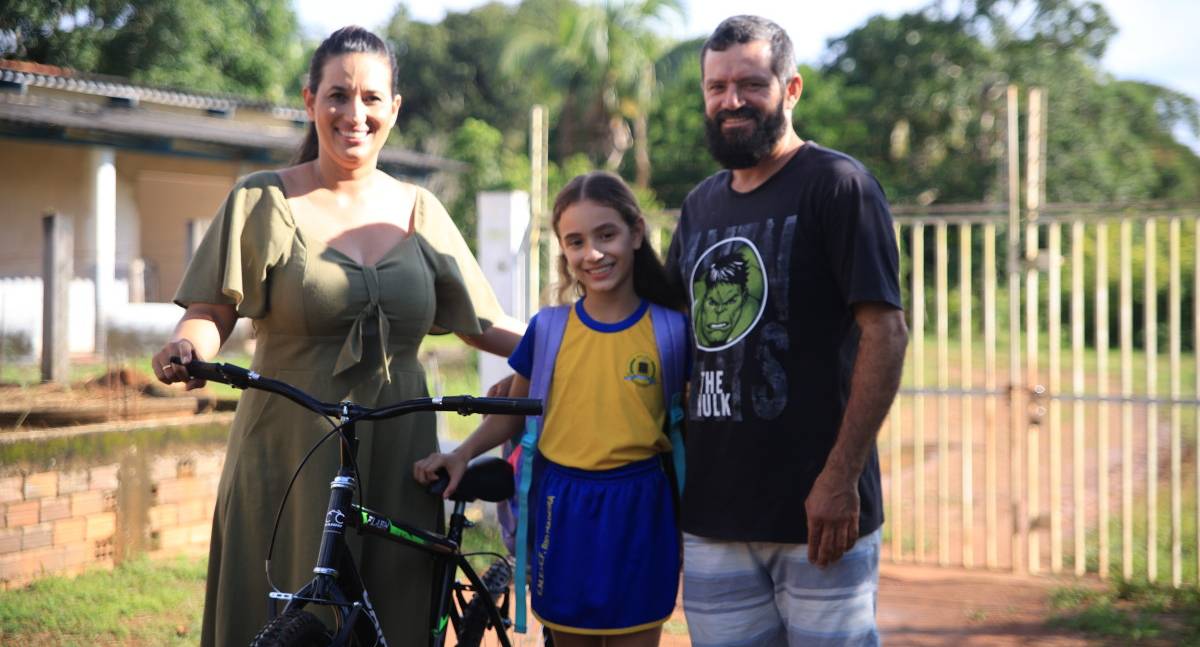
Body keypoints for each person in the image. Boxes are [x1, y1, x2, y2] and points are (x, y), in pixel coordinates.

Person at [150, 26, 523, 647]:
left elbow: (480, 323)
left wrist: (573, 339)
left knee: (396, 613)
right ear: (310, 101)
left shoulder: (421, 211)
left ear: (395, 109)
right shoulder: (264, 199)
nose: (355, 113)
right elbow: (211, 311)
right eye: (338, 95)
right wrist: (187, 347)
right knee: (288, 612)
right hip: (289, 446)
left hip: (401, 446)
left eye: (372, 98)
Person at [663, 15, 909, 647]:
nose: (731, 101)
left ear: (791, 89)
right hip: (715, 514)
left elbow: (886, 332)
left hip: (819, 512)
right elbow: (661, 333)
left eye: (751, 83)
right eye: (716, 87)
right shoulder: (699, 206)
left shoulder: (838, 185)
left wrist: (839, 478)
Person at [414, 171, 687, 647]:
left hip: (641, 507)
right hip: (563, 507)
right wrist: (462, 454)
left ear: (637, 232)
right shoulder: (549, 330)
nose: (593, 254)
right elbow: (513, 413)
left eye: (607, 235)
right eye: (576, 241)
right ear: (563, 249)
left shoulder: (672, 330)